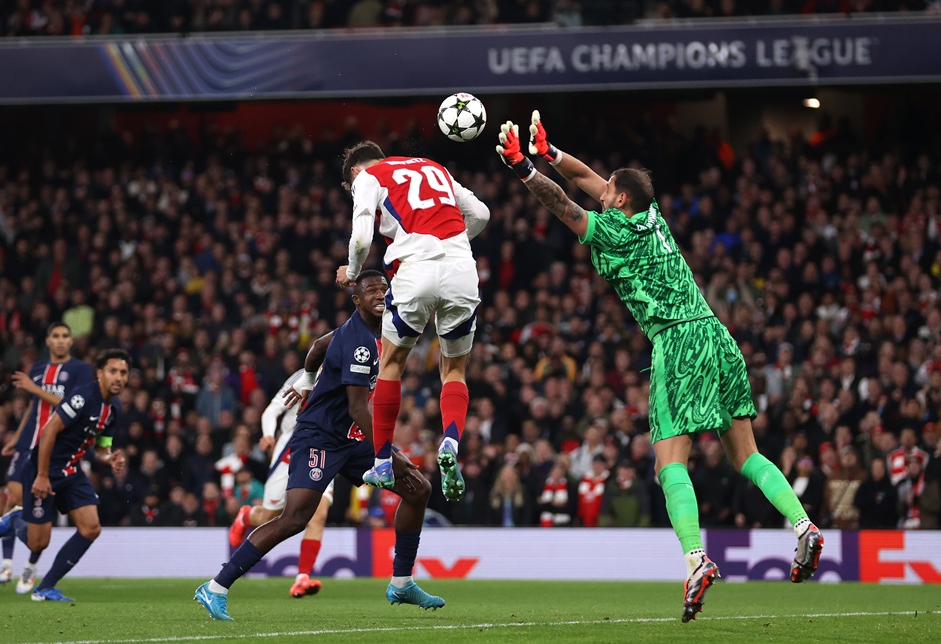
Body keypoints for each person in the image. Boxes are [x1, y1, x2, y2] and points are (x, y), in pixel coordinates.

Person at [495, 113, 823, 622]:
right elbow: (587, 181)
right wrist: (551, 152)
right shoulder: (650, 216)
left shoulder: (615, 231)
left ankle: (695, 559)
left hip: (678, 340)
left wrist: (524, 169)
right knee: (745, 454)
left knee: (669, 461)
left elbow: (565, 205)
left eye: (609, 194)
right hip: (716, 333)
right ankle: (803, 527)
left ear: (620, 200)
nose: (601, 195)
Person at [195, 270, 444, 621]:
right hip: (321, 437)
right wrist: (385, 454)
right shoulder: (359, 342)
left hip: (348, 436)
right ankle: (216, 586)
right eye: (370, 290)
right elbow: (358, 407)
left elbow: (317, 348)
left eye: (383, 289)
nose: (379, 294)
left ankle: (401, 582)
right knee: (295, 518)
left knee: (419, 489)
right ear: (356, 299)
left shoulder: (369, 329)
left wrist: (309, 378)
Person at [335, 141, 490, 502]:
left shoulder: (367, 177)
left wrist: (353, 273)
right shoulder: (434, 166)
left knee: (391, 363)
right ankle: (450, 440)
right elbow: (480, 214)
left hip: (414, 271)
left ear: (354, 172)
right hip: (461, 268)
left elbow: (361, 238)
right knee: (454, 370)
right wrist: (451, 246)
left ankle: (383, 460)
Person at [0, 349, 131, 602]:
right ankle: (14, 521)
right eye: (113, 371)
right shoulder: (82, 397)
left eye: (123, 372)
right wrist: (42, 476)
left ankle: (45, 587)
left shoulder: (114, 408)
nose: (118, 377)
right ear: (100, 373)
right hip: (43, 469)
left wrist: (109, 458)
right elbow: (48, 432)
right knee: (38, 544)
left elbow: (101, 446)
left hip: (71, 471)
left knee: (91, 528)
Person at [228, 330, 337, 599]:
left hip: (325, 448)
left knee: (319, 511)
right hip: (291, 448)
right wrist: (267, 433)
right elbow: (272, 410)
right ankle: (246, 515)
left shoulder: (346, 380)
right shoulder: (301, 378)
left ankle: (302, 577)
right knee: (271, 517)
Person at [0, 322, 93, 593]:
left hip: (55, 451)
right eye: (56, 336)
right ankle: (6, 564)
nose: (60, 341)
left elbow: (73, 406)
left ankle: (31, 565)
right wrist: (15, 438)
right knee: (13, 498)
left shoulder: (80, 370)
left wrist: (33, 388)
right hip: (28, 444)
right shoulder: (37, 369)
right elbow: (33, 408)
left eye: (65, 336)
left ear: (71, 341)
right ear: (48, 340)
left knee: (40, 514)